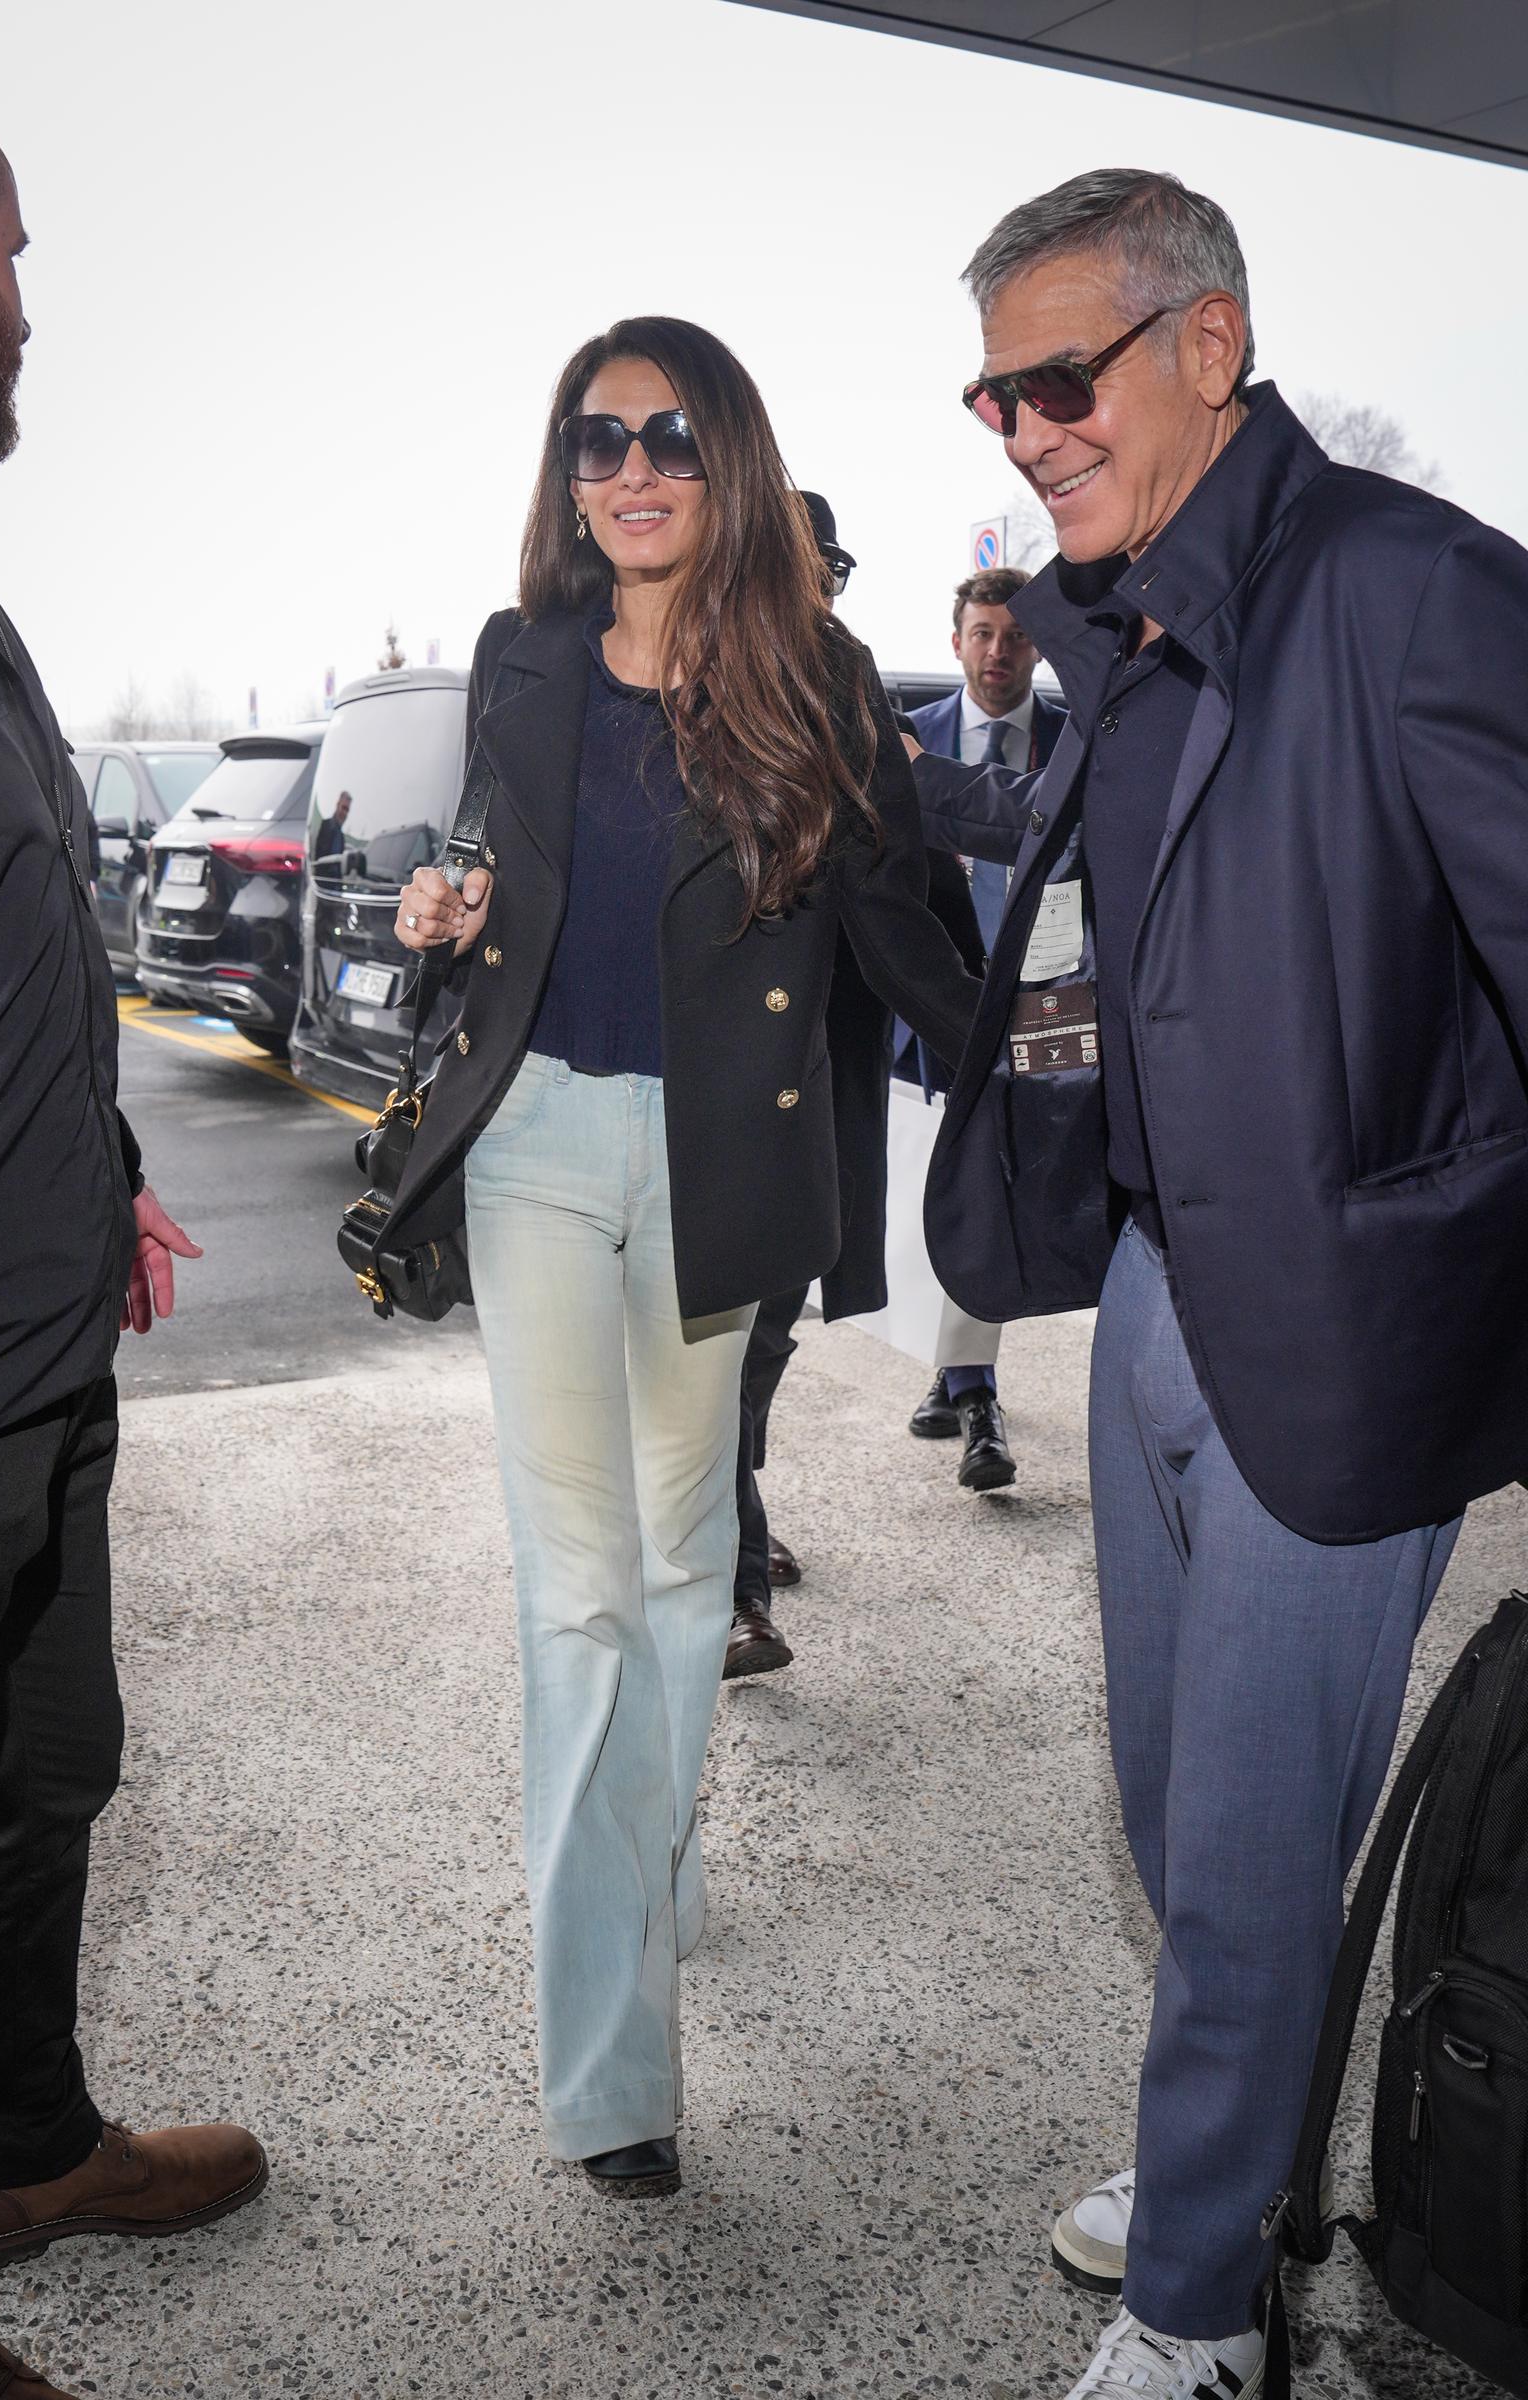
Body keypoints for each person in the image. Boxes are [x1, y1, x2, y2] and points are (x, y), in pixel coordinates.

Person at [925, 166, 1528, 2400]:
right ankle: (1237, 2147)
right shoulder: (1120, 630)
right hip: (1157, 1293)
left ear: (1205, 342)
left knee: (1260, 1838)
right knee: (1176, 1810)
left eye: (1056, 376)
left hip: (1346, 1328)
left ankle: (1199, 2312)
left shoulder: (1407, 593)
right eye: (992, 393)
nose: (1021, 428)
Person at [384, 316, 981, 2200]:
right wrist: (440, 910)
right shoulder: (522, 663)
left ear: (725, 459)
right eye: (595, 441)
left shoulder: (809, 677)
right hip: (542, 1147)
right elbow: (484, 870)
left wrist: (1062, 1076)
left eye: (664, 438)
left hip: (725, 1171)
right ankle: (615, 2073)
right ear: (568, 478)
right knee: (578, 1600)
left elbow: (903, 924)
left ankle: (653, 1845)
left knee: (681, 1572)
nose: (629, 472)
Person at [0, 60, 266, 2400]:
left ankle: (22, 2139)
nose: (30, 305)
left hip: (33, 1354)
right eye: (14, 247)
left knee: (53, 1767)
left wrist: (106, 1182)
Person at [724, 488, 891, 1681]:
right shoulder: (701, 674)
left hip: (821, 1076)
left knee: (766, 1334)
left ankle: (735, 1516)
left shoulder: (847, 675)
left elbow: (898, 870)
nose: (816, 583)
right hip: (718, 1089)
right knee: (720, 1347)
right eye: (798, 559)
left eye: (828, 563)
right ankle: (732, 1589)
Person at [902, 568, 1067, 1492]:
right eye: (982, 635)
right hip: (934, 1000)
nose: (998, 652)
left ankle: (966, 1383)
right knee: (950, 1175)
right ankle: (966, 1383)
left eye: (1015, 636)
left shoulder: (1071, 740)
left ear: (1035, 647)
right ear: (956, 641)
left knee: (994, 1179)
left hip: (1041, 1001)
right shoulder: (909, 745)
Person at [314, 788, 351, 864]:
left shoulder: (341, 837)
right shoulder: (325, 826)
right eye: (343, 807)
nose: (344, 813)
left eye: (347, 810)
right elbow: (319, 858)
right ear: (337, 805)